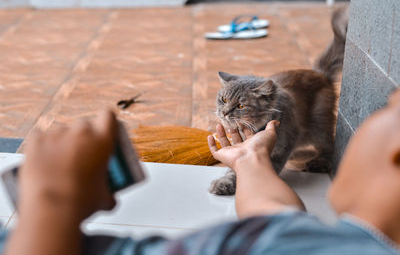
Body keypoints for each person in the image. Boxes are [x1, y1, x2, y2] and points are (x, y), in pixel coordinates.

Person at [2, 88, 400, 255]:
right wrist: (249, 159)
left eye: (387, 108)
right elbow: (275, 219)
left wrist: (52, 202)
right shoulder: (341, 243)